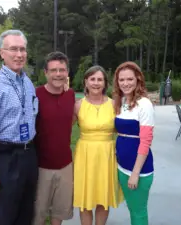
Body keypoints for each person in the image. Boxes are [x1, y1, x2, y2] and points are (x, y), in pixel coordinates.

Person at [0, 30, 39, 225]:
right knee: (5, 216)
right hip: (7, 158)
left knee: (26, 214)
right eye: (13, 49)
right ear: (2, 53)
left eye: (22, 49)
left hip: (29, 155)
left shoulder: (28, 83)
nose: (19, 54)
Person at [73, 65, 123, 225]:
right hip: (85, 155)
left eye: (99, 79)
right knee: (85, 200)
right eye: (92, 79)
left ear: (105, 83)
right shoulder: (78, 105)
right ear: (86, 82)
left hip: (107, 155)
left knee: (103, 198)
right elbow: (64, 129)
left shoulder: (115, 105)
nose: (96, 83)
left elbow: (122, 130)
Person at [33, 51, 75, 225]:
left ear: (67, 73)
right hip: (40, 166)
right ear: (46, 73)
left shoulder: (70, 95)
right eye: (54, 70)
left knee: (59, 212)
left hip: (66, 165)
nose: (58, 74)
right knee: (38, 214)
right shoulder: (35, 95)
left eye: (62, 70)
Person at [113, 61, 154, 225]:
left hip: (138, 170)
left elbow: (145, 142)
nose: (125, 83)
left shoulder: (144, 104)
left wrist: (135, 173)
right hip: (122, 166)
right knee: (132, 208)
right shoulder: (120, 101)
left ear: (138, 79)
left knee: (139, 212)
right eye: (121, 80)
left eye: (129, 79)